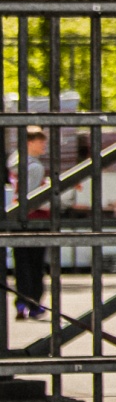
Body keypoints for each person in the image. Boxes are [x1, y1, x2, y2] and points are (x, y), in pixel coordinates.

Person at [6, 126, 48, 320]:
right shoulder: (35, 166)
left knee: (21, 263)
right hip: (36, 218)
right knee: (36, 264)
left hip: (17, 219)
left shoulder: (15, 162)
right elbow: (31, 197)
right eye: (40, 142)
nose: (43, 146)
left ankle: (21, 300)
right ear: (29, 143)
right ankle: (34, 303)